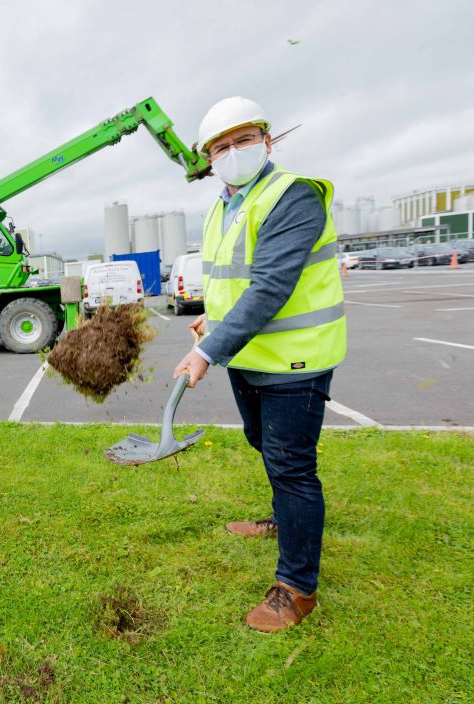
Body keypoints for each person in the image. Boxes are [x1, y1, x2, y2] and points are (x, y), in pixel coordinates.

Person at [173, 97, 346, 632]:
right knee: (263, 446)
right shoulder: (223, 206)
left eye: (243, 140)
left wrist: (205, 352)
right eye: (220, 147)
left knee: (292, 467)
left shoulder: (290, 196)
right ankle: (281, 522)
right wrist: (211, 321)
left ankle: (297, 588)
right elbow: (235, 282)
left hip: (296, 361)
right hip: (248, 357)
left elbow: (271, 286)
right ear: (208, 159)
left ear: (267, 141)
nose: (233, 152)